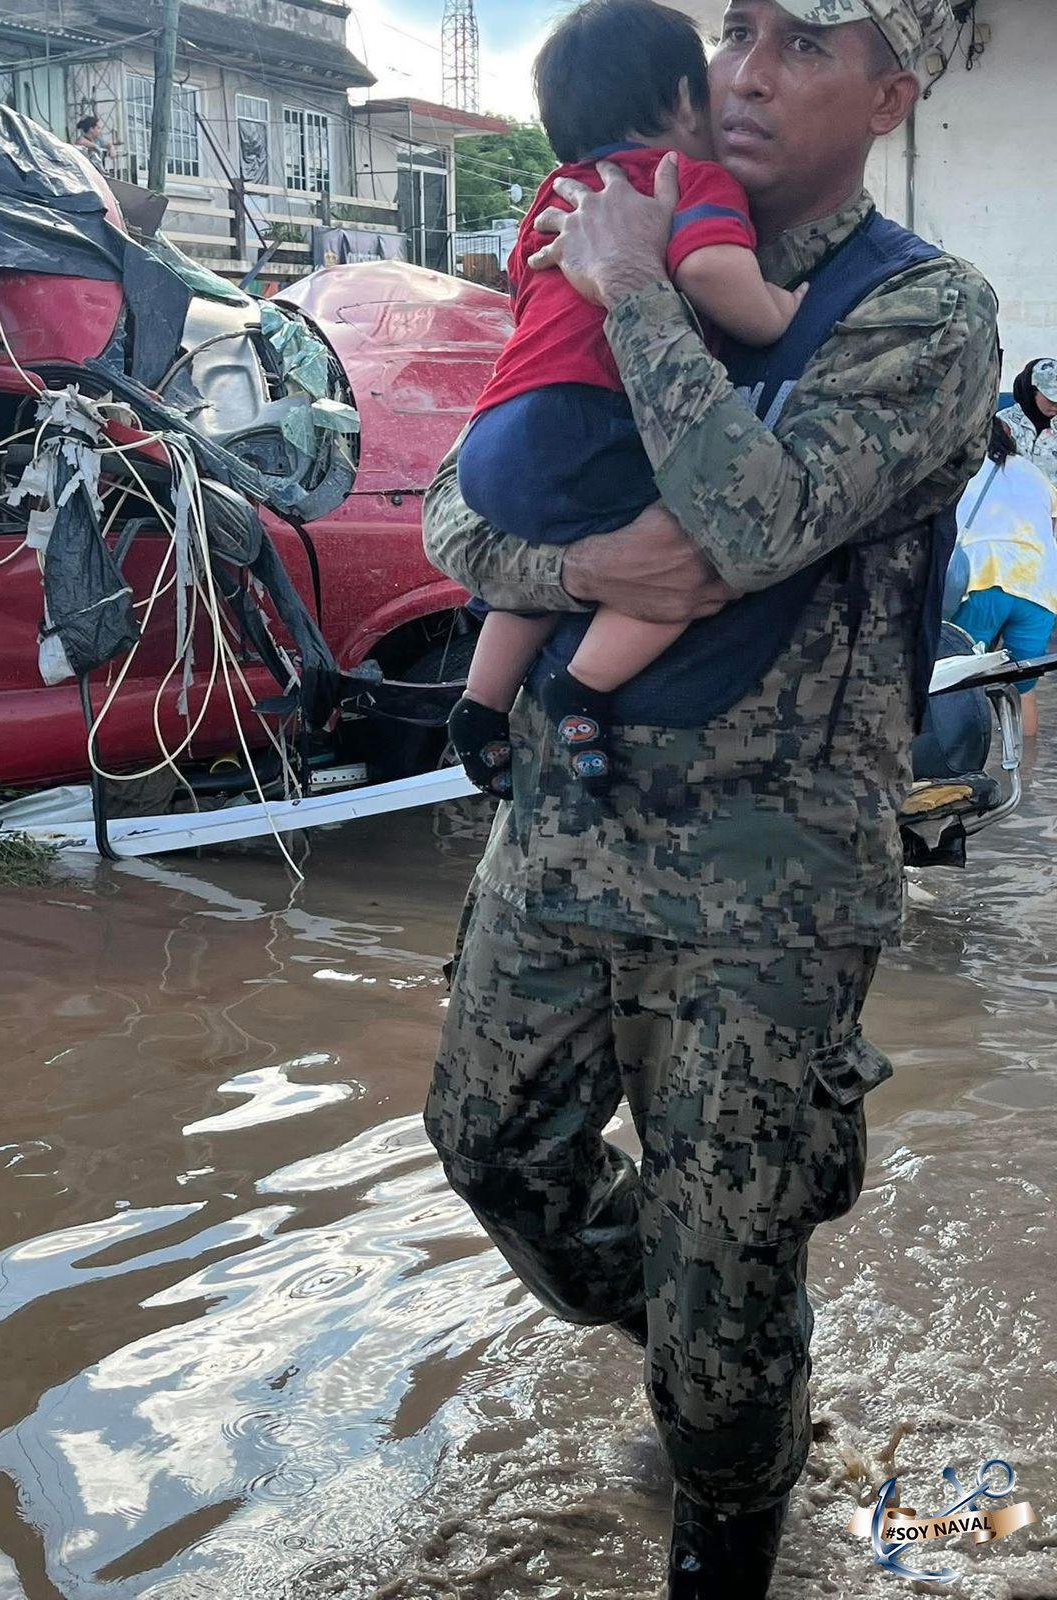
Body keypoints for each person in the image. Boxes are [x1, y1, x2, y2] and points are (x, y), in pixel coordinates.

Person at [420, 0, 1000, 1595]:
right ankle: (695, 1355)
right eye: (734, 31)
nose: (745, 69)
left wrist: (633, 289)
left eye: (802, 45)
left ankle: (732, 1496)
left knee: (734, 1275)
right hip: (562, 832)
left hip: (770, 881)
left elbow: (749, 524)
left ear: (892, 93)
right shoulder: (606, 212)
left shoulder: (922, 311)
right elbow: (466, 518)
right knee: (491, 1150)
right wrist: (576, 563)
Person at [449, 0, 806, 802]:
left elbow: (529, 304)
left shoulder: (556, 191)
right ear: (686, 101)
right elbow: (716, 274)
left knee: (543, 551)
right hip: (586, 413)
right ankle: (584, 686)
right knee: (690, 545)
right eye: (732, 46)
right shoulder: (684, 178)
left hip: (497, 432)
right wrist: (781, 311)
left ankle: (479, 703)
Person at [952, 415, 1057, 738]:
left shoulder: (961, 472)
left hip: (986, 578)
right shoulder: (1035, 474)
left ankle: (962, 772)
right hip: (1040, 589)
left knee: (959, 682)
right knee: (1023, 689)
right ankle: (1026, 774)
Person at [997, 358, 1057, 489]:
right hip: (1009, 503)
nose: (1056, 406)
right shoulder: (1003, 424)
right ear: (1032, 392)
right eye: (1051, 400)